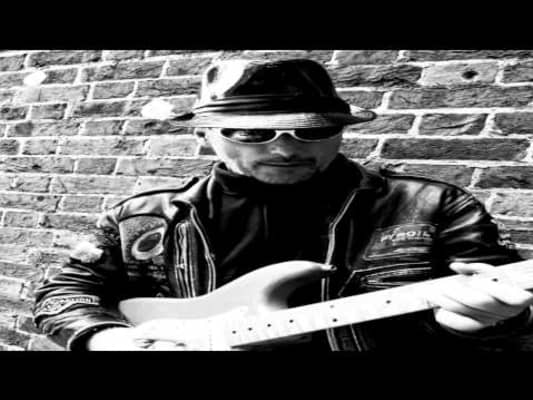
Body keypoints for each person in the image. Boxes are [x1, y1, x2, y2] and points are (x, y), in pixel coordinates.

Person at [33, 58, 533, 351]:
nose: (285, 149)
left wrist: (490, 319)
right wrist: (111, 340)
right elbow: (64, 292)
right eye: (253, 133)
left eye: (311, 131)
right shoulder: (142, 217)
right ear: (205, 134)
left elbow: (503, 305)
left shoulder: (435, 205)